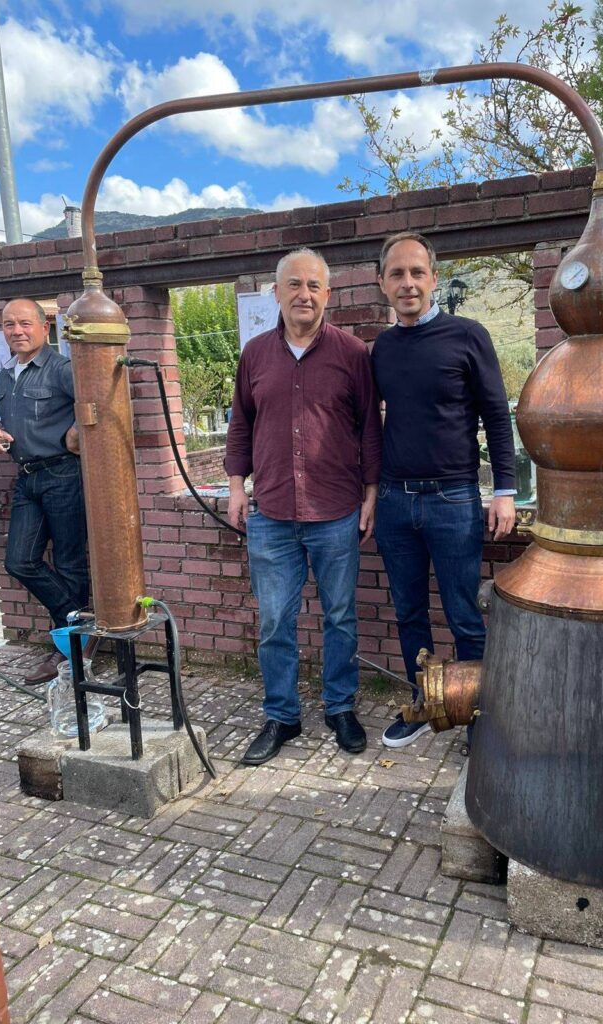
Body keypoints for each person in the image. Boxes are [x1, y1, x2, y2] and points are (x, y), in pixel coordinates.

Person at [226, 248, 382, 765]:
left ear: (328, 294)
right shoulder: (254, 355)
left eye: (314, 285)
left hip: (336, 511)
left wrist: (371, 494)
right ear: (276, 292)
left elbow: (370, 428)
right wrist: (236, 487)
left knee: (339, 616)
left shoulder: (352, 354)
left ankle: (340, 707)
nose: (304, 294)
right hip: (271, 514)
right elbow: (240, 424)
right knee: (275, 622)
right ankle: (282, 715)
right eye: (294, 284)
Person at [372, 232, 517, 748]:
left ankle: (480, 717)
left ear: (434, 278)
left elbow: (497, 416)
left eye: (417, 272)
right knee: (409, 612)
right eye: (397, 274)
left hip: (454, 499)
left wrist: (505, 490)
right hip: (395, 502)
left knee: (463, 614)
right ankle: (424, 703)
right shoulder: (382, 349)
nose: (408, 283)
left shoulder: (468, 336)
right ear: (383, 283)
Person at [0, 299, 88, 685]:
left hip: (63, 473)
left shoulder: (62, 369)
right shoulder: (5, 374)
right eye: (9, 325)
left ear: (45, 327)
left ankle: (69, 650)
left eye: (25, 323)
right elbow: (5, 420)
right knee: (19, 561)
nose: (17, 331)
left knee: (69, 563)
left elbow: (97, 403)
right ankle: (80, 625)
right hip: (27, 478)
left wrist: (77, 431)